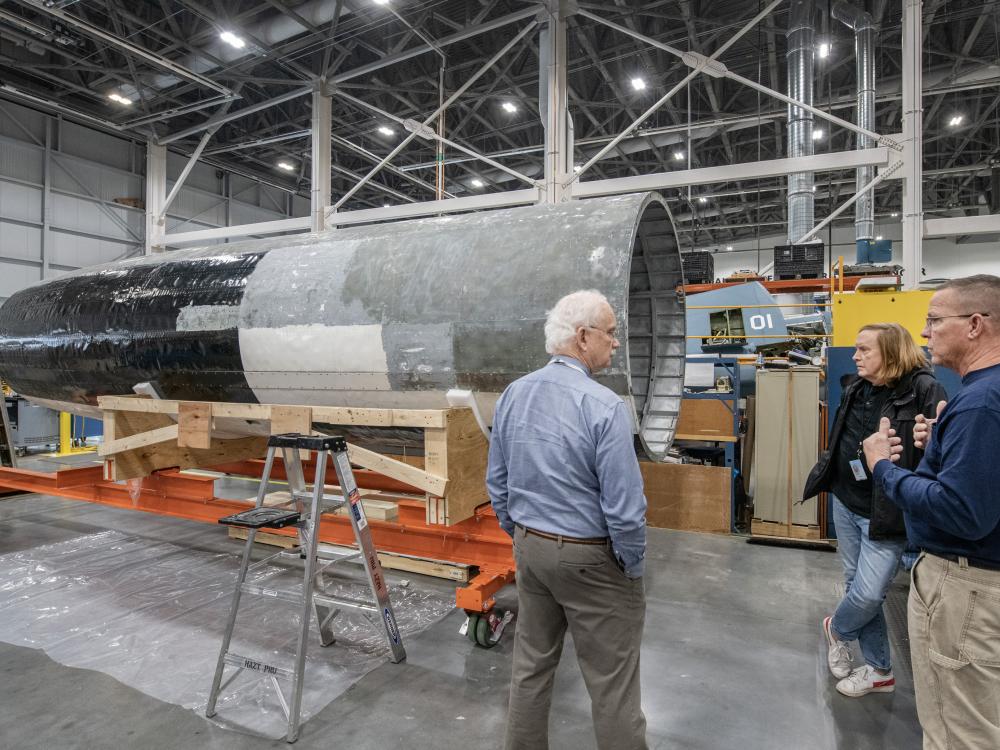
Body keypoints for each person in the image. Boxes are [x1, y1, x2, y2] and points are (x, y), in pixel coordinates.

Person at [487, 289, 647, 750]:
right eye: (611, 334)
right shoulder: (604, 406)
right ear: (582, 337)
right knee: (613, 685)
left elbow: (497, 483)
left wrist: (521, 535)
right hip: (591, 559)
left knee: (531, 667)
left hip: (531, 550)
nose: (615, 344)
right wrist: (630, 566)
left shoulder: (515, 394)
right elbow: (625, 509)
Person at [863, 275, 1000, 750]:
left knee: (957, 732)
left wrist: (882, 468)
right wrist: (942, 445)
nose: (925, 332)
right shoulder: (980, 398)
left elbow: (963, 512)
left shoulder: (981, 404)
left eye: (935, 320)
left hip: (967, 589)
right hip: (980, 584)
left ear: (976, 325)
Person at [804, 323, 946, 697]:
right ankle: (880, 670)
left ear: (892, 352)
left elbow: (939, 451)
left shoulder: (924, 390)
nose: (855, 356)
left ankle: (838, 628)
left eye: (865, 350)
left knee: (868, 595)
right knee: (855, 585)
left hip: (886, 510)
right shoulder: (857, 387)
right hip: (846, 500)